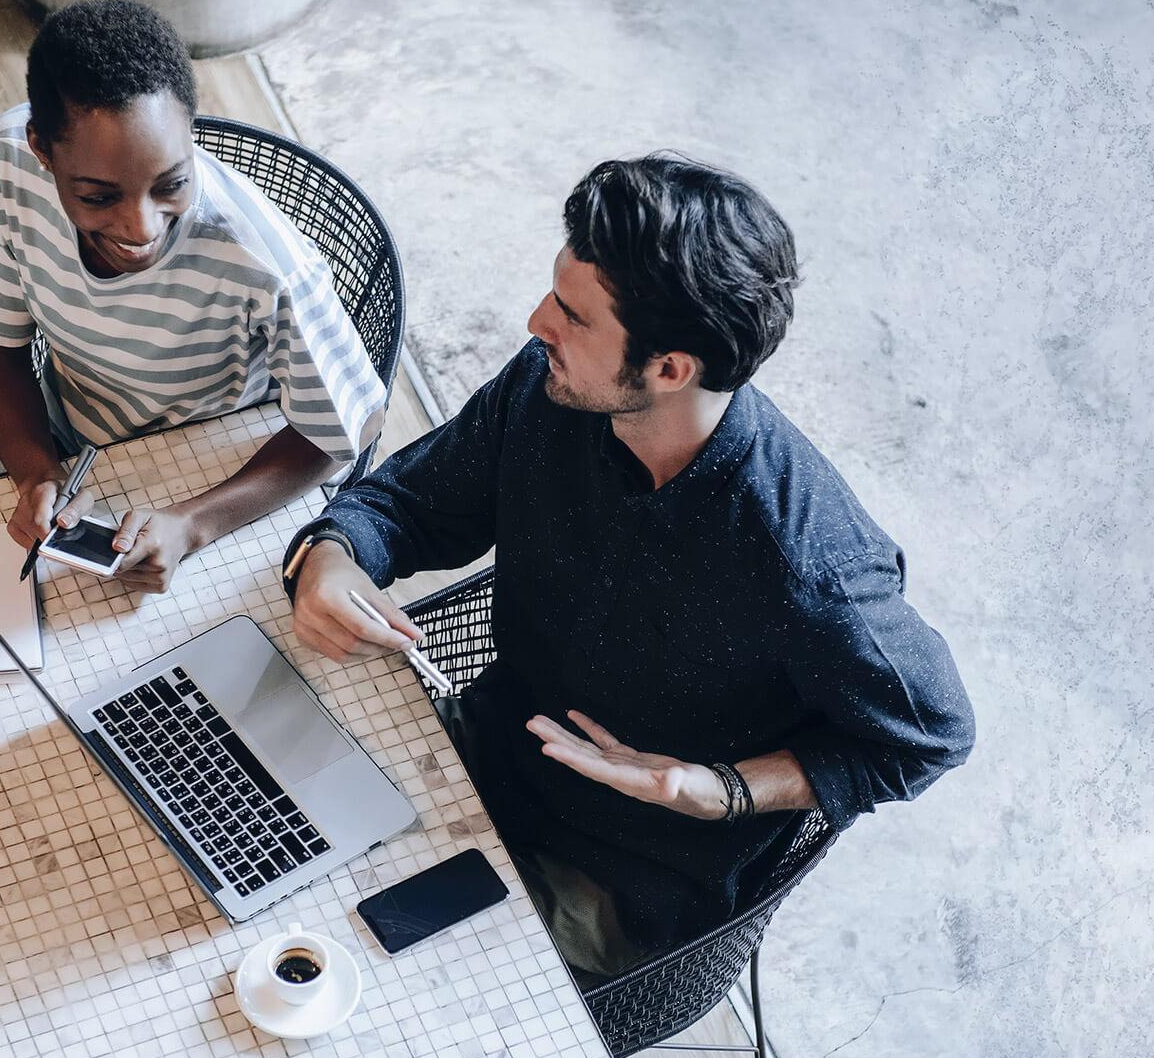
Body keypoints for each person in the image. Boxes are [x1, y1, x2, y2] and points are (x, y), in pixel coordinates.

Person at [280, 155, 976, 980]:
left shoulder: (810, 566)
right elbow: (411, 503)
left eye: (572, 316)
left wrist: (716, 789)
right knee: (260, 862)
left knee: (374, 988)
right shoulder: (551, 387)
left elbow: (931, 737)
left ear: (669, 369)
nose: (537, 322)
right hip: (483, 752)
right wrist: (332, 554)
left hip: (623, 874)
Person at [0, 0, 385, 593]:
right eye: (98, 196)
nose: (141, 229)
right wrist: (35, 475)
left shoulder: (266, 264)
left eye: (172, 184)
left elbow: (349, 428)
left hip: (219, 474)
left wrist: (192, 524)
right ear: (41, 151)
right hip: (72, 450)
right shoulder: (10, 162)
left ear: (190, 133)